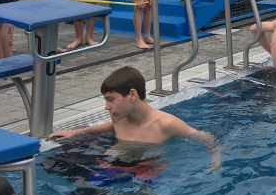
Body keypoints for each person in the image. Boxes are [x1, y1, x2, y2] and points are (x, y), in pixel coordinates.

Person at [49, 66, 221, 171]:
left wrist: (215, 160)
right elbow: (110, 126)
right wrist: (77, 131)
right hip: (114, 160)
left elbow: (206, 138)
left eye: (111, 100)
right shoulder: (118, 115)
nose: (106, 106)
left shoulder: (166, 124)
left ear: (132, 95)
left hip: (146, 167)